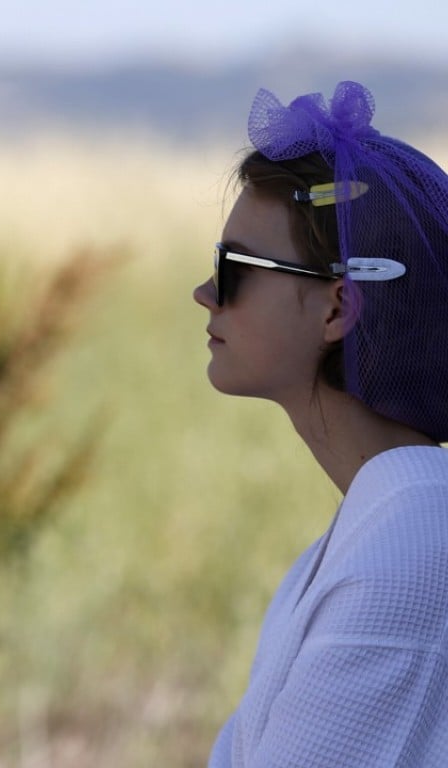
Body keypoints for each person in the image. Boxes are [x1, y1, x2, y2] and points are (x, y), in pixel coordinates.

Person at [193, 80, 448, 767]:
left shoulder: (411, 542)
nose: (204, 293)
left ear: (338, 307)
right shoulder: (363, 534)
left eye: (233, 268)